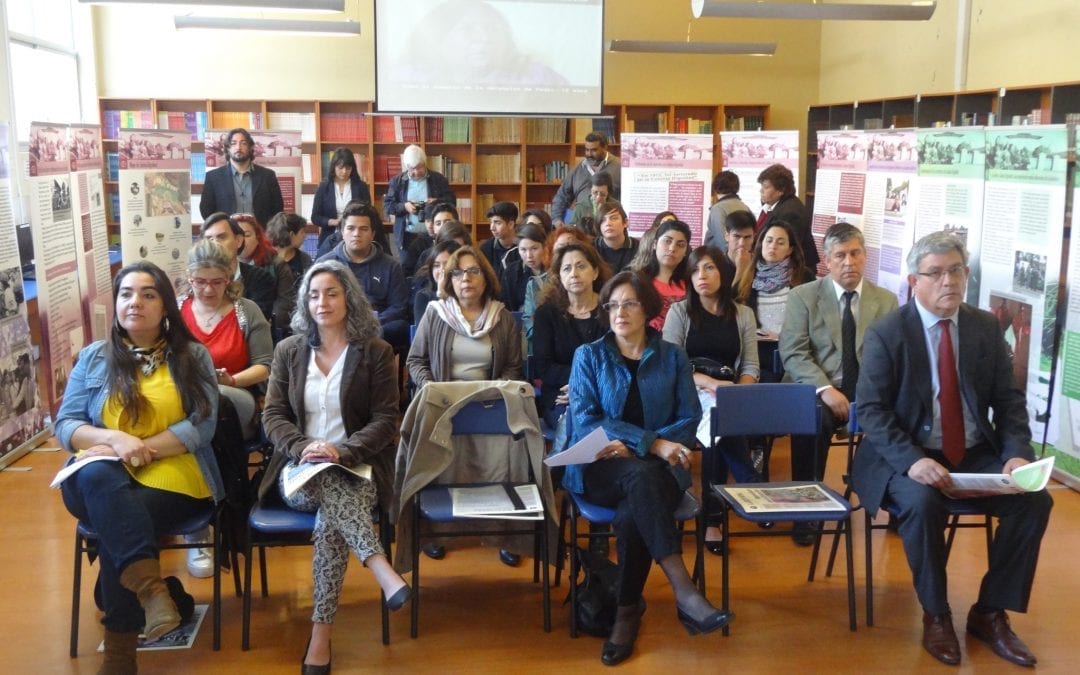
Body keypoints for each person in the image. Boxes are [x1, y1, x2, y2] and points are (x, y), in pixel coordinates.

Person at [852, 231, 1052, 667]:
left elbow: (1009, 400)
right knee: (923, 504)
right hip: (904, 453)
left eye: (957, 270)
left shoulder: (982, 326)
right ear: (913, 281)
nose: (950, 281)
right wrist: (914, 460)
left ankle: (989, 611)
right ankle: (936, 614)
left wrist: (1017, 452)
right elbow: (870, 410)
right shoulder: (888, 332)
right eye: (937, 273)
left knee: (1034, 500)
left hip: (974, 450)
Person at [559, 270, 733, 665]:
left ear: (649, 309)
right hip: (601, 467)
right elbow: (588, 420)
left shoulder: (672, 357)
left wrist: (648, 448)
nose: (620, 312)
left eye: (630, 303)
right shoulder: (589, 355)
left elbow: (690, 419)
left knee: (632, 511)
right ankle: (684, 591)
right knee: (640, 477)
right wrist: (652, 443)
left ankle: (627, 611)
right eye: (613, 305)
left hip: (657, 472)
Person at [56, 261, 222, 673]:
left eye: (148, 294)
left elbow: (202, 424)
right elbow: (67, 424)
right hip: (100, 473)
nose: (136, 302)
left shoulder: (192, 355)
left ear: (166, 305)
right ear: (116, 303)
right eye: (127, 293)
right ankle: (153, 590)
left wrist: (141, 449)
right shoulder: (94, 358)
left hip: (174, 473)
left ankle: (120, 657)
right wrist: (114, 440)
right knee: (100, 479)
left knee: (122, 523)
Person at [260, 260, 412, 673]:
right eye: (313, 294)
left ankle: (320, 639)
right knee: (330, 488)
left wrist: (341, 452)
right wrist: (307, 447)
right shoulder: (289, 351)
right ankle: (380, 567)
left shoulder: (376, 353)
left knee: (333, 518)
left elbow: (386, 419)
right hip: (298, 469)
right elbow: (272, 415)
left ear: (349, 298)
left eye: (331, 293)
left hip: (357, 467)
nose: (321, 302)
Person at [779, 222, 898, 544]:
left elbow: (892, 358)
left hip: (868, 391)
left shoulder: (885, 301)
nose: (849, 262)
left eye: (856, 253)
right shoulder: (803, 297)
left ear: (865, 256)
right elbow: (793, 351)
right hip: (819, 387)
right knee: (813, 416)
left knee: (904, 415)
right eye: (841, 255)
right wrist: (825, 389)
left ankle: (896, 503)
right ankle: (805, 509)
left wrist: (873, 395)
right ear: (827, 262)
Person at [406, 245, 524, 566]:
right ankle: (436, 533)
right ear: (449, 280)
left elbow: (514, 366)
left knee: (512, 445)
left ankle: (504, 533)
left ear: (486, 278)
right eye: (457, 273)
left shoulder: (502, 317)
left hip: (488, 405)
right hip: (443, 403)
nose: (465, 279)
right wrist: (431, 386)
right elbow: (415, 360)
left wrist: (494, 392)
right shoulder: (436, 312)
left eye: (473, 272)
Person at [663, 246, 759, 553]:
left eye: (709, 268)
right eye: (694, 271)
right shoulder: (680, 312)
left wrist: (739, 390)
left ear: (724, 272)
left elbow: (751, 366)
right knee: (719, 419)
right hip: (686, 393)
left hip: (728, 396)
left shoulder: (742, 314)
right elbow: (670, 367)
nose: (701, 276)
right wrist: (709, 382)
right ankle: (747, 481)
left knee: (718, 424)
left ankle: (713, 520)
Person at [180, 239, 272, 442]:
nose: (208, 290)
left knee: (216, 396)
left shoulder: (247, 311)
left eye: (217, 282)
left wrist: (231, 380)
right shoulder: (175, 312)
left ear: (229, 278)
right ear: (189, 277)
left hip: (234, 398)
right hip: (183, 399)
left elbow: (265, 367)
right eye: (200, 282)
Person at [532, 241, 610, 429]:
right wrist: (577, 385)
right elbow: (544, 366)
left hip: (605, 393)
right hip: (562, 396)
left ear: (595, 272)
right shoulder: (547, 314)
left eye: (581, 266)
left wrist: (583, 386)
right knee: (575, 425)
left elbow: (616, 361)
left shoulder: (610, 311)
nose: (574, 274)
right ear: (560, 276)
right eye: (566, 269)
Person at [317, 201, 410, 353]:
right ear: (342, 231)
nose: (356, 234)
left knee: (399, 327)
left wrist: (369, 322)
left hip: (377, 325)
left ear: (373, 234)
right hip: (337, 324)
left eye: (363, 229)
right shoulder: (325, 265)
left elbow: (398, 307)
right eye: (350, 228)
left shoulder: (391, 266)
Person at [733, 218, 813, 382]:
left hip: (792, 353)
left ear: (790, 249)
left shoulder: (804, 278)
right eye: (768, 240)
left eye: (780, 242)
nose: (773, 246)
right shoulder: (747, 276)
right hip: (755, 354)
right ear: (761, 243)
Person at [201, 212, 278, 328]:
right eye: (209, 239)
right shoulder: (197, 280)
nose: (215, 243)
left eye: (222, 237)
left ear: (238, 241)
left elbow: (254, 322)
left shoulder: (260, 278)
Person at [521, 226, 593, 345]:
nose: (567, 252)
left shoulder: (592, 283)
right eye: (561, 248)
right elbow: (530, 329)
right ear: (551, 252)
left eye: (571, 246)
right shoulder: (535, 285)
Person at [199, 128, 284, 229]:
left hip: (260, 237)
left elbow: (277, 209)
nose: (238, 147)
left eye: (243, 143)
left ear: (250, 147)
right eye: (233, 143)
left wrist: (267, 232)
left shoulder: (267, 176)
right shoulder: (213, 177)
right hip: (227, 237)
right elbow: (206, 211)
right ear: (228, 148)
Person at [233, 213, 297, 338]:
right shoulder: (223, 269)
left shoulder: (276, 264)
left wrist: (264, 319)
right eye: (236, 236)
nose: (242, 240)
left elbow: (285, 303)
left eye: (247, 235)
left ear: (258, 237)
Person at [383, 144, 456, 253]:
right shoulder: (397, 182)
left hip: (434, 236)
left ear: (425, 163)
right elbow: (388, 206)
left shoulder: (439, 179)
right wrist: (404, 206)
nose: (416, 172)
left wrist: (436, 203)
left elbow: (452, 202)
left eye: (420, 167)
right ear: (406, 166)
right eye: (412, 168)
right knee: (407, 269)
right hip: (407, 238)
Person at [633, 218, 691, 332]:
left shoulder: (692, 282)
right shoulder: (638, 280)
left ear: (685, 251)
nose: (672, 248)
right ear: (654, 244)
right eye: (667, 241)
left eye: (680, 245)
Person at [757, 163, 819, 269]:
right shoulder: (773, 205)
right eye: (761, 186)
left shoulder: (790, 213)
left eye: (766, 187)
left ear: (781, 190)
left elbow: (787, 251)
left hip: (794, 272)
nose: (761, 191)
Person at [552, 132, 621, 226]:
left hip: (609, 224)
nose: (589, 154)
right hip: (581, 226)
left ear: (605, 147)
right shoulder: (577, 169)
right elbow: (562, 197)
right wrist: (557, 219)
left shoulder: (619, 167)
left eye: (594, 150)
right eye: (587, 150)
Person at [310, 147, 373, 246]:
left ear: (353, 168)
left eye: (348, 168)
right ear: (333, 167)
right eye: (340, 168)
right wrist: (333, 222)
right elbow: (315, 217)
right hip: (330, 237)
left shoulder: (361, 187)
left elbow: (369, 214)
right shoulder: (324, 187)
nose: (344, 172)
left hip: (356, 236)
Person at [402, 201, 459, 278]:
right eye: (438, 223)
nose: (442, 227)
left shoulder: (465, 250)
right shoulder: (425, 255)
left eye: (447, 222)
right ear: (434, 228)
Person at [500, 222, 547, 312]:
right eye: (523, 250)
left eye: (534, 249)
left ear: (544, 247)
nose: (529, 255)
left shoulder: (555, 269)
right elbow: (507, 306)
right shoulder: (511, 273)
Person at [413, 240, 462, 325]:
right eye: (436, 265)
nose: (441, 270)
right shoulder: (423, 297)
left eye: (447, 264)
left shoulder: (466, 294)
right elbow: (426, 333)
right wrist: (441, 295)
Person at [704, 170, 751, 252]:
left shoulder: (718, 209)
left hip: (720, 259)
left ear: (715, 187)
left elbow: (722, 241)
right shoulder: (745, 207)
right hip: (742, 255)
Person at [266, 211, 313, 293]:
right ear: (291, 235)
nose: (304, 235)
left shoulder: (304, 259)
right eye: (302, 232)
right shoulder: (266, 259)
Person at [480, 200, 521, 280]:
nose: (492, 228)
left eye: (497, 223)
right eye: (491, 222)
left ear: (510, 224)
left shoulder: (524, 247)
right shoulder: (486, 248)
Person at [594, 202, 638, 274]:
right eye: (603, 220)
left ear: (625, 222)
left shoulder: (638, 247)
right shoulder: (591, 247)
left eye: (613, 218)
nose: (608, 223)